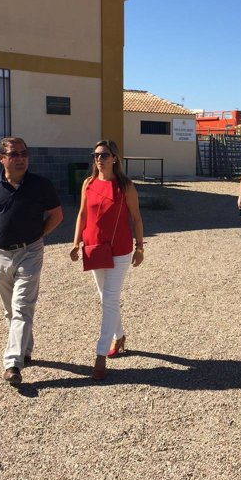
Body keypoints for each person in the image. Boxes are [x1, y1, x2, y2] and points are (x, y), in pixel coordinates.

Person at [0, 137, 63, 385]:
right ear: (1, 158)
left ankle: (12, 363)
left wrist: (39, 235)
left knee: (22, 305)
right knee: (10, 310)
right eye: (14, 154)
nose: (21, 158)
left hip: (30, 252)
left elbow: (56, 215)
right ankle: (25, 349)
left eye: (24, 153)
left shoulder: (41, 185)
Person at [70, 140, 144, 381]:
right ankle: (119, 336)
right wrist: (76, 242)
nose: (99, 159)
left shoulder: (125, 186)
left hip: (119, 250)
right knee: (106, 298)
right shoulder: (88, 183)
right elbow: (82, 214)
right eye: (95, 155)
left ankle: (100, 354)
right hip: (94, 248)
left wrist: (140, 247)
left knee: (110, 299)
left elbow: (136, 217)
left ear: (115, 158)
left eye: (103, 155)